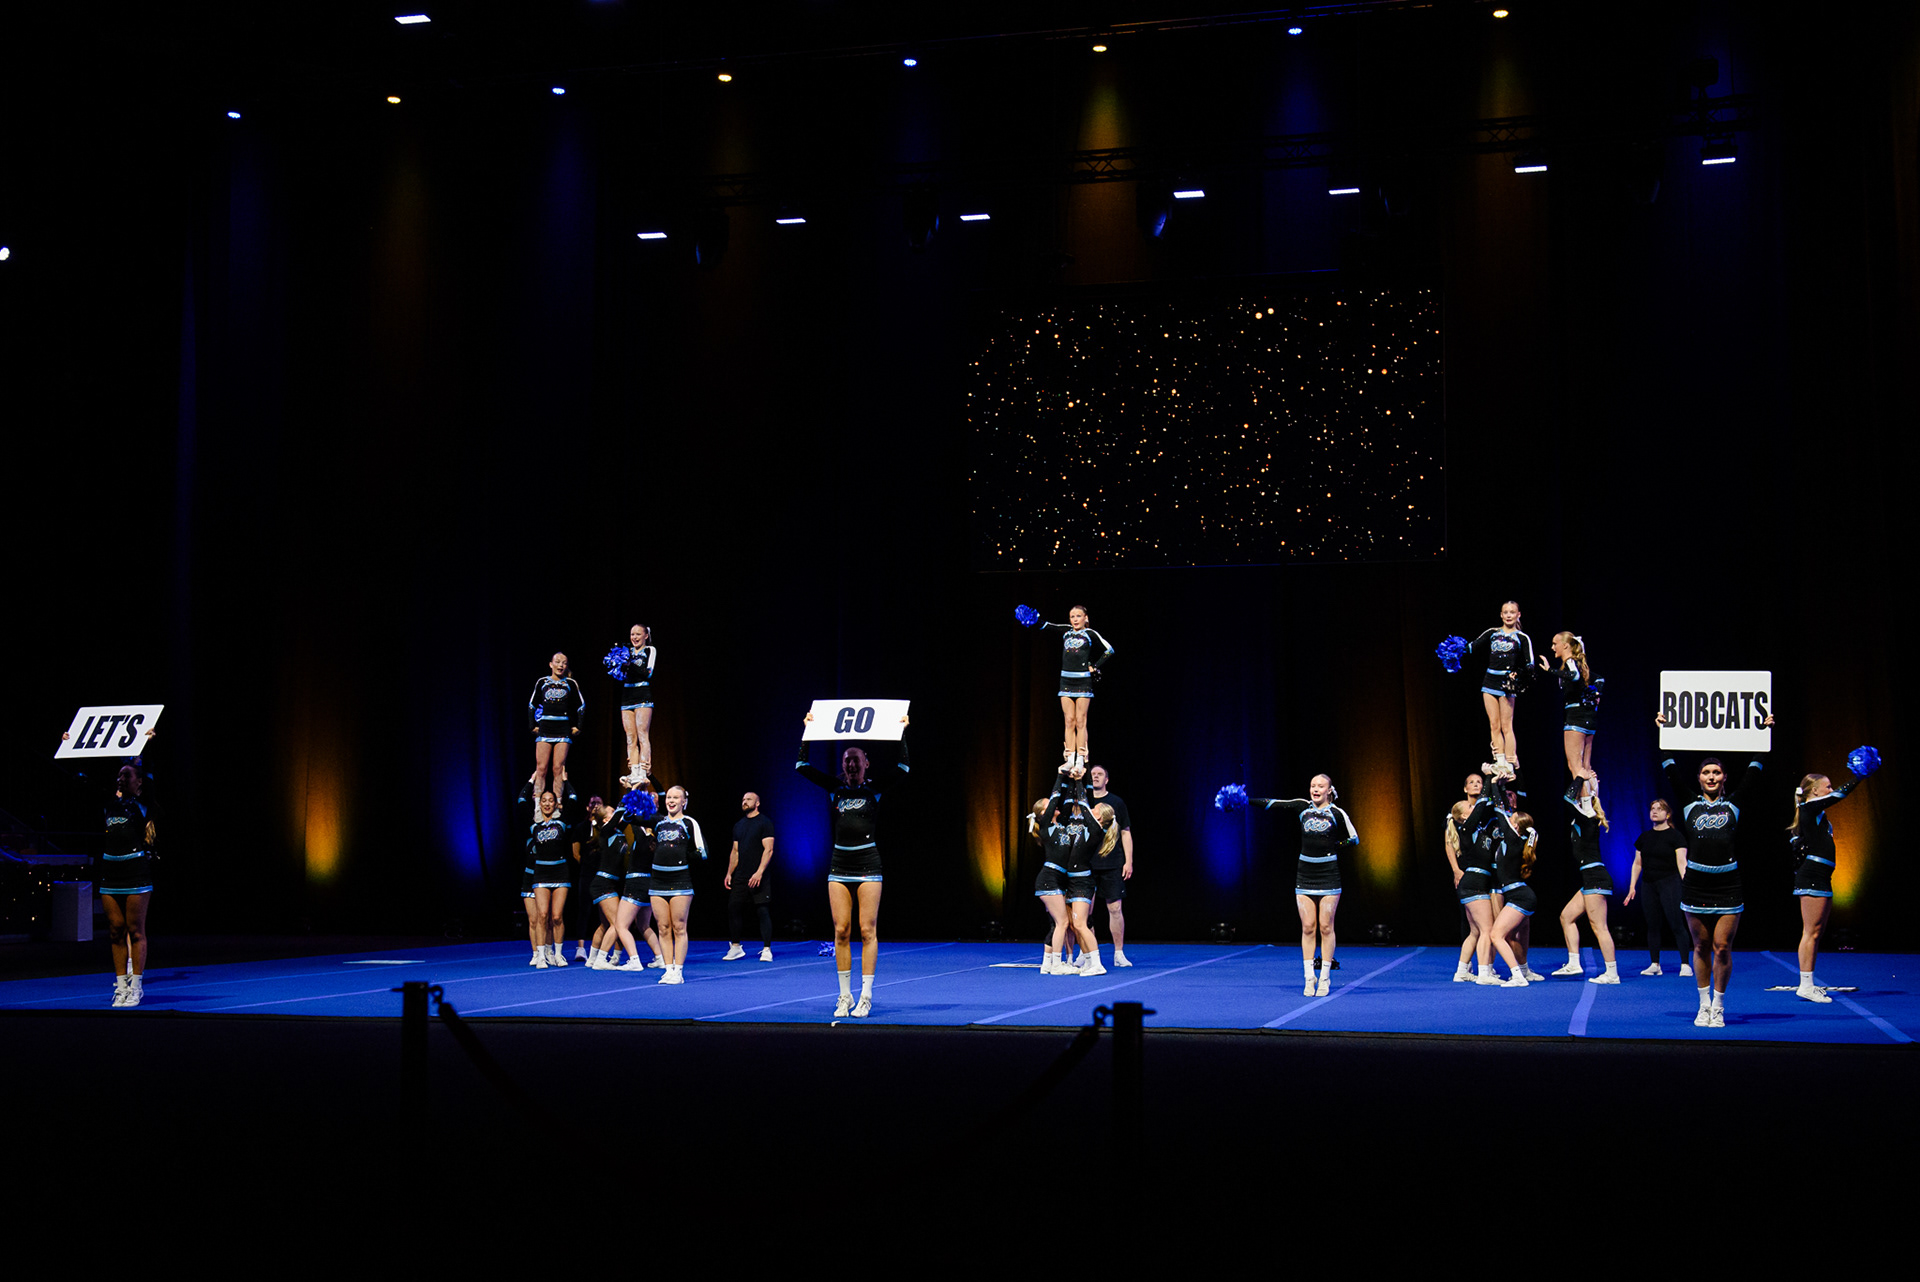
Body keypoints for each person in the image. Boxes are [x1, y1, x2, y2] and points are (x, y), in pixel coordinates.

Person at [1655, 710, 1773, 1028]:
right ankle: (1703, 1004)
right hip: (1696, 883)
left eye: (1716, 772)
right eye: (1706, 772)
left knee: (1722, 947)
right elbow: (1670, 770)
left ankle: (1719, 1005)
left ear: (1724, 777)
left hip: (1728, 884)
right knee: (1701, 945)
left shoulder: (1734, 803)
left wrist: (1764, 733)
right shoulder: (1689, 804)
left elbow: (1754, 770)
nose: (1711, 777)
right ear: (1698, 778)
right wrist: (1663, 731)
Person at [796, 711, 910, 1017]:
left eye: (856, 759)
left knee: (867, 930)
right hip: (839, 865)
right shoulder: (835, 788)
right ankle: (844, 995)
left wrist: (901, 732)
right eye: (847, 760)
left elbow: (903, 767)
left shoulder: (874, 789)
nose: (851, 764)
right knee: (841, 930)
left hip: (868, 863)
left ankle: (866, 995)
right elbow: (801, 766)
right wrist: (808, 732)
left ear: (866, 763)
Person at [1254, 776, 1357, 997]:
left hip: (1328, 874)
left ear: (1329, 790)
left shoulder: (1337, 813)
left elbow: (1354, 838)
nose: (1315, 789)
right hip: (1305, 874)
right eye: (1312, 786)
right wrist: (1246, 800)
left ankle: (1325, 977)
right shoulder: (1302, 807)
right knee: (1308, 927)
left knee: (1326, 926)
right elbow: (1273, 803)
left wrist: (1335, 845)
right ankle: (1309, 977)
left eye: (1320, 786)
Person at [1787, 764, 1869, 1002]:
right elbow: (1840, 795)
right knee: (1810, 932)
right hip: (1812, 875)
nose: (1831, 790)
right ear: (1814, 790)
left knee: (1816, 932)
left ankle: (1808, 982)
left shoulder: (1815, 812)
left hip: (1821, 875)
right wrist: (1858, 777)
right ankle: (1805, 985)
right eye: (1827, 787)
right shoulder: (1809, 807)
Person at [1550, 777, 1620, 983]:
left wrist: (1580, 776)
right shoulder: (1581, 817)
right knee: (1566, 916)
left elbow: (1567, 798)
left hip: (1595, 877)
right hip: (1590, 877)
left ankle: (1612, 973)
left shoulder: (1588, 816)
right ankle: (1574, 963)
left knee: (1599, 927)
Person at [1463, 601, 1535, 783]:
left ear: (1518, 615)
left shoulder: (1522, 637)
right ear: (1501, 615)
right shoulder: (1492, 633)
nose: (1509, 615)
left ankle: (1510, 765)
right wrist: (1455, 649)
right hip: (1489, 682)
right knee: (1494, 725)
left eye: (1512, 612)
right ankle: (1500, 762)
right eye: (1506, 612)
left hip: (1506, 685)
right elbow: (1472, 647)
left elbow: (1530, 664)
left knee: (1506, 726)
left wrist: (1518, 674)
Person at [1036, 606, 1114, 771]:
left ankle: (1081, 760)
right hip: (1065, 680)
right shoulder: (1066, 631)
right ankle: (1070, 758)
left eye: (1079, 616)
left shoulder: (1090, 634)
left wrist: (1095, 666)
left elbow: (1109, 650)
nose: (1075, 619)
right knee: (1069, 720)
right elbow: (1047, 626)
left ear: (1086, 618)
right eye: (1072, 616)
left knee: (1080, 720)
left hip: (1083, 681)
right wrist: (1035, 619)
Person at [1622, 799, 1691, 977]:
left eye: (1659, 809)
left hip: (1670, 883)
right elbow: (1637, 864)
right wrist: (1632, 887)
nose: (1654, 811)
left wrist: (1687, 885)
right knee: (1652, 925)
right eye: (1652, 808)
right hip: (1649, 885)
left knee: (1676, 923)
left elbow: (1682, 863)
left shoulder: (1676, 836)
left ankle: (1685, 964)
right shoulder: (1644, 837)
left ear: (1667, 814)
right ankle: (1655, 964)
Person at [519, 778, 581, 968]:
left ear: (555, 804)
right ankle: (540, 956)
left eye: (550, 801)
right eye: (544, 801)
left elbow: (573, 798)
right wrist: (531, 780)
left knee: (556, 916)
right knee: (542, 915)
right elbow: (521, 800)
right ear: (540, 803)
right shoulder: (534, 825)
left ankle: (558, 954)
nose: (547, 804)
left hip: (560, 872)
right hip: (541, 874)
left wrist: (565, 780)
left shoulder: (561, 823)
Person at [647, 786, 706, 984]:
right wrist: (635, 787)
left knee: (679, 927)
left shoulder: (689, 823)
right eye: (669, 797)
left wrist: (684, 857)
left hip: (680, 880)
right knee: (663, 927)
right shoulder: (658, 822)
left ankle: (678, 971)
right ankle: (668, 969)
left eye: (676, 797)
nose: (671, 801)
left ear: (684, 802)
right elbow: (632, 818)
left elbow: (703, 852)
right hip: (657, 881)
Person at [1481, 808, 1542, 987]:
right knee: (1510, 936)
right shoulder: (1519, 841)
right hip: (1520, 895)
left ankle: (1518, 976)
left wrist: (1493, 790)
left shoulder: (1514, 840)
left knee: (1496, 935)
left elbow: (1500, 812)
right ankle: (1523, 971)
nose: (1508, 819)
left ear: (1515, 826)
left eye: (1511, 818)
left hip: (1520, 897)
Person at [1535, 631, 1599, 789]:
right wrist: (1596, 694)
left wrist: (1549, 670)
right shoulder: (1580, 664)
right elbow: (1599, 679)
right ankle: (1593, 800)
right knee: (1586, 767)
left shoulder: (1571, 662)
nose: (1552, 647)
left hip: (1576, 719)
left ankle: (1586, 803)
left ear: (1565, 646)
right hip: (1588, 718)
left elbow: (1574, 676)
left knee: (1575, 767)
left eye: (1554, 644)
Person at [1086, 764, 1134, 967]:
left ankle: (1119, 953)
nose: (1095, 777)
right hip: (1087, 863)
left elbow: (1125, 832)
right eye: (1093, 774)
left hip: (1112, 863)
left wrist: (1128, 861)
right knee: (1085, 911)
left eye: (1100, 774)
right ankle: (1087, 953)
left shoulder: (1116, 802)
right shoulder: (1083, 801)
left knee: (1115, 908)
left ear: (1106, 779)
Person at [724, 791, 777, 962]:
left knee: (762, 910)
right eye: (743, 799)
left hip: (759, 874)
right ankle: (736, 947)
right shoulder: (739, 825)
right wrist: (729, 873)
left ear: (757, 803)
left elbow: (769, 849)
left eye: (748, 799)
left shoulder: (765, 823)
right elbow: (735, 851)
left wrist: (759, 872)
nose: (744, 802)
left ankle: (767, 949)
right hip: (741, 875)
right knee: (734, 908)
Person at [528, 653, 584, 797]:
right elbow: (532, 705)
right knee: (541, 768)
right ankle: (538, 804)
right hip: (545, 728)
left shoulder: (571, 683)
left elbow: (581, 706)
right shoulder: (542, 682)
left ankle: (558, 803)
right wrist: (532, 725)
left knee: (558, 768)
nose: (561, 665)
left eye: (564, 663)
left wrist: (578, 726)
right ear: (551, 664)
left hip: (563, 729)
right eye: (557, 662)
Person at [1028, 797, 1073, 973]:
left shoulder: (1060, 825)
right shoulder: (1046, 827)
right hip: (1048, 879)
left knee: (1056, 924)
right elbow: (1056, 797)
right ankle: (1057, 964)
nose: (1055, 803)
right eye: (1050, 804)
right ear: (1043, 813)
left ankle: (1047, 963)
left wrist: (1074, 783)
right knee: (1063, 922)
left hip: (1058, 879)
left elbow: (1066, 804)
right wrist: (1059, 780)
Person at [616, 624, 657, 787]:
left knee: (642, 734)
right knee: (630, 737)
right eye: (632, 634)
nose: (634, 637)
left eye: (638, 634)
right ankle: (633, 771)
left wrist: (630, 665)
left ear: (646, 635)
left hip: (643, 694)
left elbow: (648, 672)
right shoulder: (626, 651)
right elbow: (619, 674)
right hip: (627, 696)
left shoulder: (650, 651)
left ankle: (643, 771)